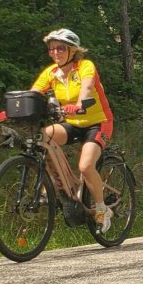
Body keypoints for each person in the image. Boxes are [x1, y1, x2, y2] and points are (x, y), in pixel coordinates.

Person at [30, 29, 115, 232]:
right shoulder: (51, 73)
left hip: (97, 122)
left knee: (86, 166)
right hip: (72, 123)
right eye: (51, 49)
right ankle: (56, 185)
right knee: (44, 137)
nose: (55, 52)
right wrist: (15, 107)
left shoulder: (85, 66)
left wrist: (80, 104)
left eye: (60, 48)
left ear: (72, 50)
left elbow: (86, 87)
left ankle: (103, 209)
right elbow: (33, 93)